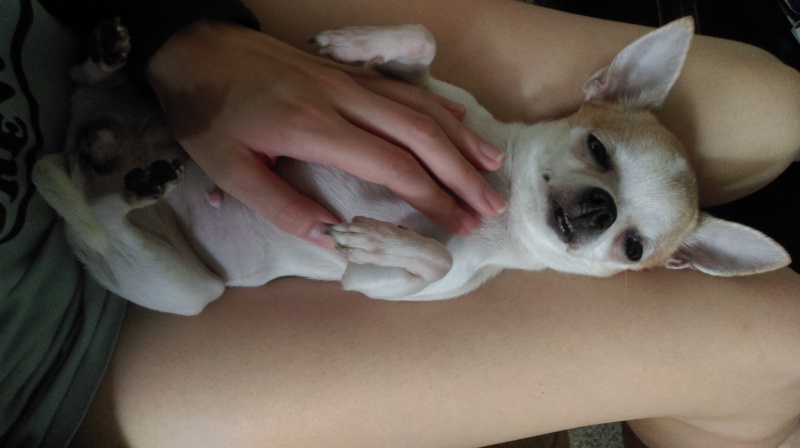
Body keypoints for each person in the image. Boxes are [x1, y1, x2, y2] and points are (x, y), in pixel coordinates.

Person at [1, 0, 797, 447]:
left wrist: (188, 34)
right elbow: (409, 91)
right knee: (784, 341)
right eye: (599, 152)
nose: (598, 206)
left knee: (777, 107)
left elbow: (370, 271)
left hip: (145, 160)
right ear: (604, 91)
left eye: (630, 242)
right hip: (65, 352)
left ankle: (106, 157)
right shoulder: (470, 162)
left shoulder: (471, 242)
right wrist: (406, 50)